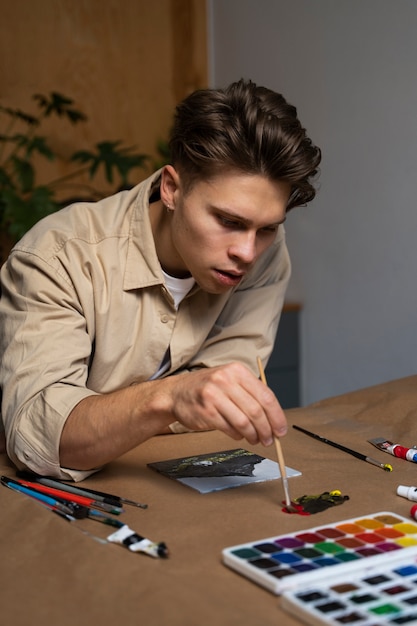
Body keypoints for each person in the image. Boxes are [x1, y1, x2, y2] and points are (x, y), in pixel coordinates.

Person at [0, 79, 321, 481]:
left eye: (267, 228)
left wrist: (106, 417)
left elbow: (222, 402)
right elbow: (39, 439)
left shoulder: (264, 251)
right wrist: (172, 397)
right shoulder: (57, 256)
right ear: (171, 188)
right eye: (228, 221)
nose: (247, 252)